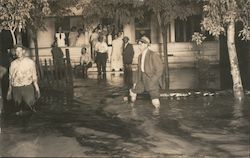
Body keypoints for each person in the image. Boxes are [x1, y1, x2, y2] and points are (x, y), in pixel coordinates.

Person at [129, 36, 163, 115]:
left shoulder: (153, 55)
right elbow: (139, 70)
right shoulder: (140, 56)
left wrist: (152, 81)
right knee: (133, 91)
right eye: (139, 44)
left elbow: (159, 70)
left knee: (155, 101)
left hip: (151, 79)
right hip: (142, 79)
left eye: (141, 44)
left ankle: (157, 117)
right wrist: (136, 82)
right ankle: (132, 110)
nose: (139, 46)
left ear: (146, 44)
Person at [7, 45, 40, 114]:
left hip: (27, 87)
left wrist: (37, 89)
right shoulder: (13, 64)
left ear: (23, 51)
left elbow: (34, 77)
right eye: (16, 51)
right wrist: (9, 91)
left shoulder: (30, 62)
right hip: (16, 88)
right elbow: (11, 78)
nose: (18, 52)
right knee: (18, 110)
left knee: (30, 108)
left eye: (20, 51)